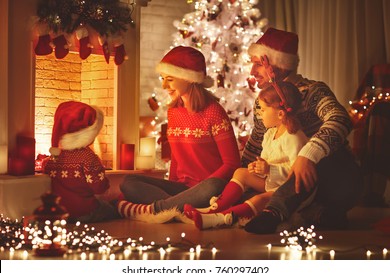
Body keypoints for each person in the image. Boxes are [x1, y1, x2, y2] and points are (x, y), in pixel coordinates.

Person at [241, 28, 363, 234]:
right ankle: (316, 214)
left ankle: (275, 213)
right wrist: (241, 177)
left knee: (310, 165)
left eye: (258, 64)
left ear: (278, 64)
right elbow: (256, 144)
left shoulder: (314, 90)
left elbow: (340, 119)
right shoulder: (263, 101)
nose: (252, 71)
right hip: (287, 180)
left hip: (336, 177)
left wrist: (307, 155)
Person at [117, 46, 241, 223]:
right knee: (128, 182)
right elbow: (177, 155)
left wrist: (204, 188)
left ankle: (158, 210)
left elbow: (232, 163)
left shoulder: (214, 111)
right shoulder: (173, 112)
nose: (164, 86)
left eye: (170, 79)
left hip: (210, 189)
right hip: (182, 189)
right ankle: (178, 208)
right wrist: (173, 184)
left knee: (213, 185)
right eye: (163, 79)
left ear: (189, 79)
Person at [184, 80, 308, 230]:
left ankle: (220, 218)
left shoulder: (294, 138)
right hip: (271, 182)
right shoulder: (270, 134)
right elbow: (267, 160)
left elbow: (297, 175)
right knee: (240, 173)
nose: (260, 114)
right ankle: (216, 207)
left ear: (280, 113)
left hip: (286, 190)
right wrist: (258, 167)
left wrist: (269, 169)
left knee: (259, 199)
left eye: (263, 110)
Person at [44, 101, 119, 223]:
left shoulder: (52, 159)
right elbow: (99, 188)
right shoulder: (88, 157)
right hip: (85, 211)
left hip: (59, 213)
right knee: (112, 209)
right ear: (87, 135)